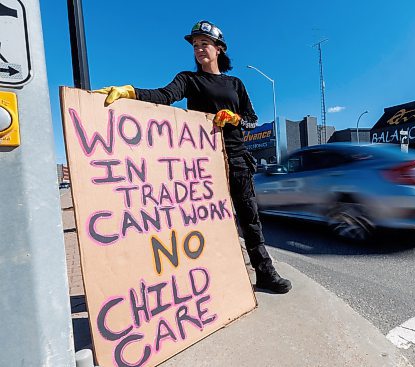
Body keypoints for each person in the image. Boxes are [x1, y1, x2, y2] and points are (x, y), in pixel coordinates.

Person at [95, 20, 292, 294]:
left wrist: (235, 118)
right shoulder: (188, 80)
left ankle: (265, 273)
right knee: (205, 223)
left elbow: (251, 119)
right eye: (196, 45)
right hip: (202, 165)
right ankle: (209, 278)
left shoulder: (236, 84)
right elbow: (164, 96)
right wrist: (131, 92)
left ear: (219, 49)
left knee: (249, 219)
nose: (199, 49)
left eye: (205, 44)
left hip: (236, 161)